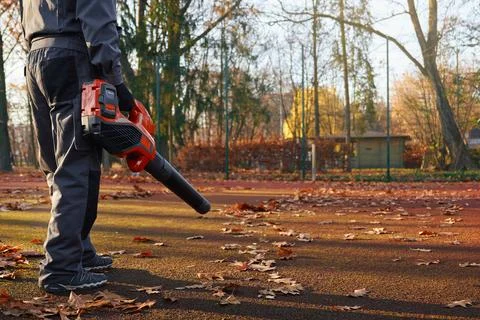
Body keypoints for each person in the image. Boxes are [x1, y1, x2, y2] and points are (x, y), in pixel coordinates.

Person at [20, 0, 135, 294]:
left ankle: (78, 248)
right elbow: (99, 22)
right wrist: (117, 83)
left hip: (35, 58)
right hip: (71, 56)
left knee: (56, 163)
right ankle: (61, 267)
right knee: (76, 164)